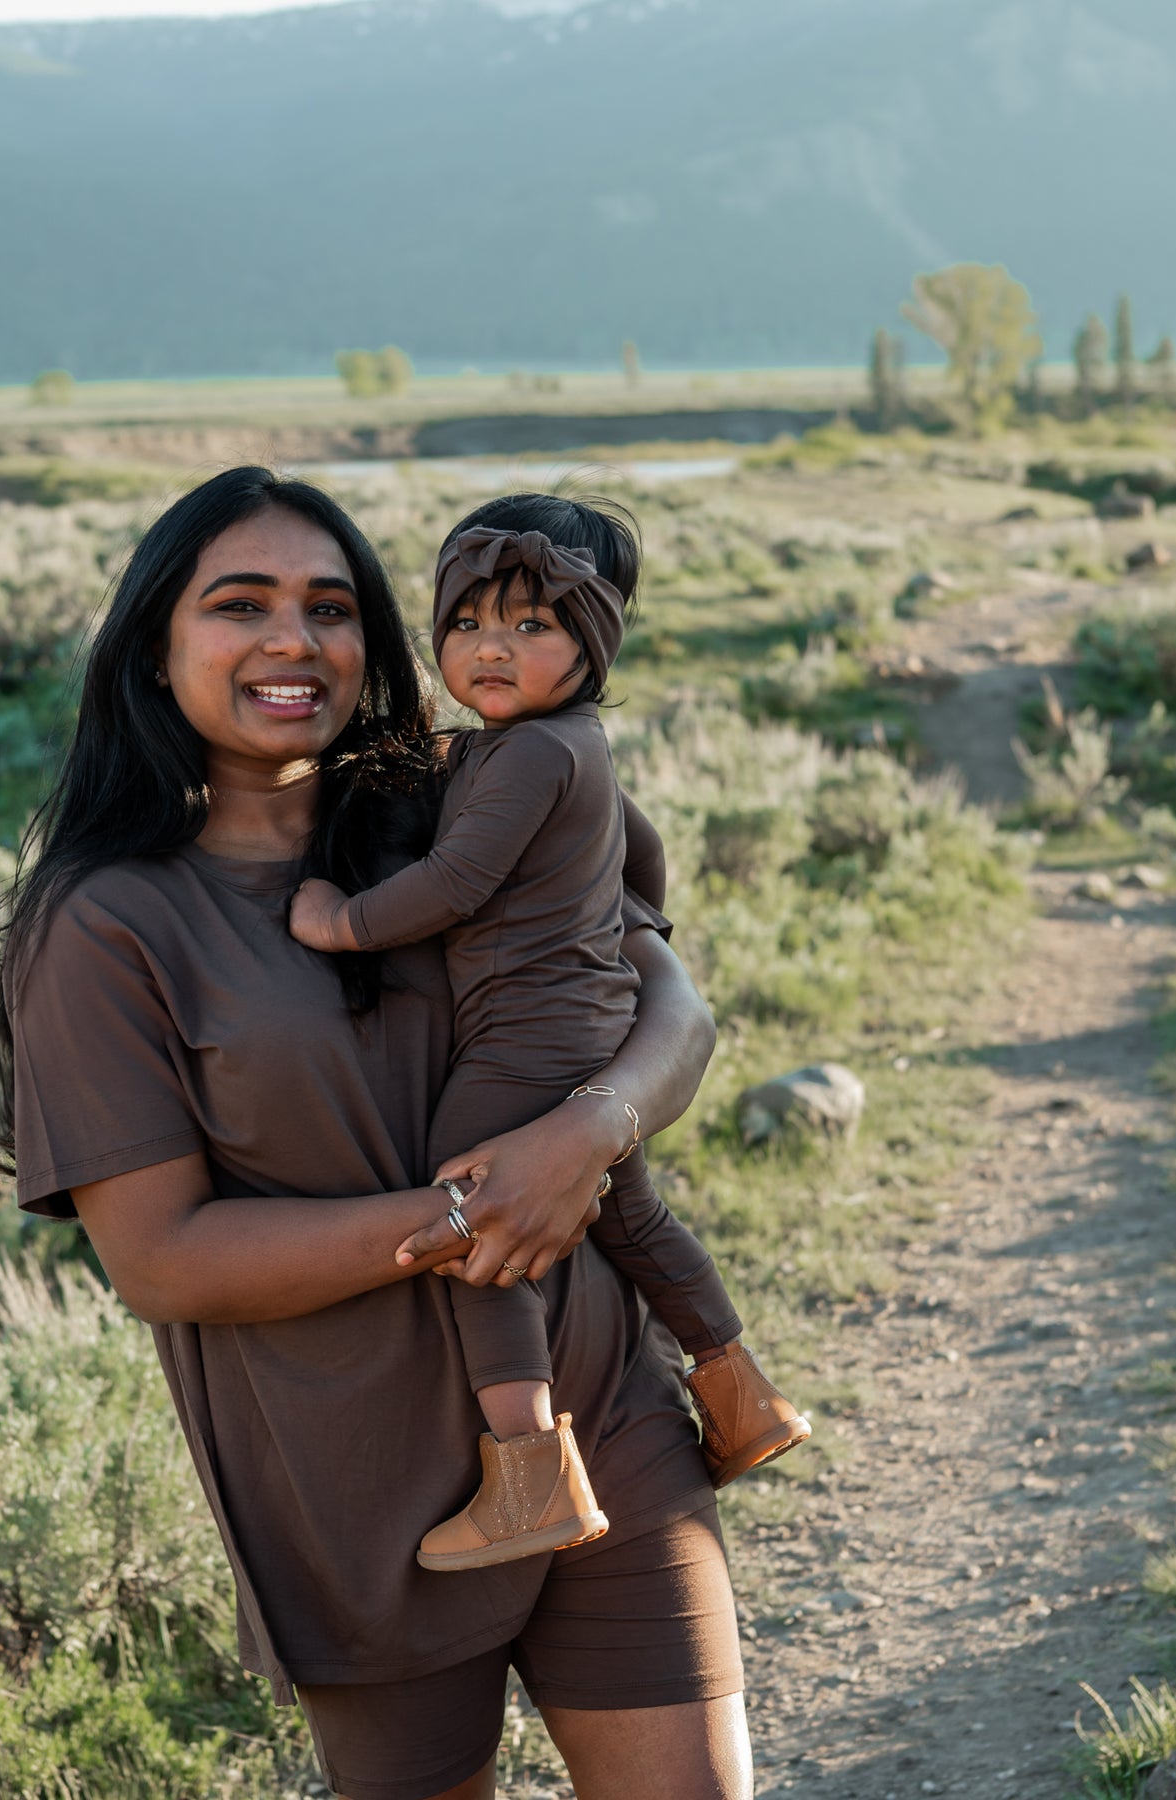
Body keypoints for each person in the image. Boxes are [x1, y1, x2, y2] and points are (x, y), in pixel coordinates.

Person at [0, 467, 755, 1800]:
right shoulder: (105, 925)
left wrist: (589, 1134)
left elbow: (669, 999)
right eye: (242, 605)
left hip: (601, 1417)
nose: (294, 640)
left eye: (332, 607)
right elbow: (163, 1260)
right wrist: (474, 1213)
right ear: (156, 645)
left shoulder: (454, 805)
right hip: (355, 1497)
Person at [287, 498, 808, 1574]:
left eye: (533, 627)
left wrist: (340, 921)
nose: (491, 647)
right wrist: (623, 927)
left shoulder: (530, 757)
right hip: (585, 1025)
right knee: (633, 1213)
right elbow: (642, 854)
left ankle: (526, 1475)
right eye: (469, 622)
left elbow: (457, 880)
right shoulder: (549, 747)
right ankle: (739, 1393)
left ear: (596, 643)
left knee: (478, 1234)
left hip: (523, 1040)